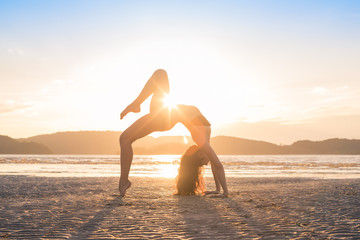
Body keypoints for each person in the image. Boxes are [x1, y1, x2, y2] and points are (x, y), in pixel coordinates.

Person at [119, 69, 228, 197]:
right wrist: (218, 190)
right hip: (165, 113)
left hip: (163, 117)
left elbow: (218, 165)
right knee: (125, 139)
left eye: (205, 162)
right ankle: (124, 181)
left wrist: (225, 192)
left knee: (125, 138)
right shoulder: (204, 138)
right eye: (206, 162)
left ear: (199, 155)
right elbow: (217, 166)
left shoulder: (201, 141)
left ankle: (124, 181)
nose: (208, 163)